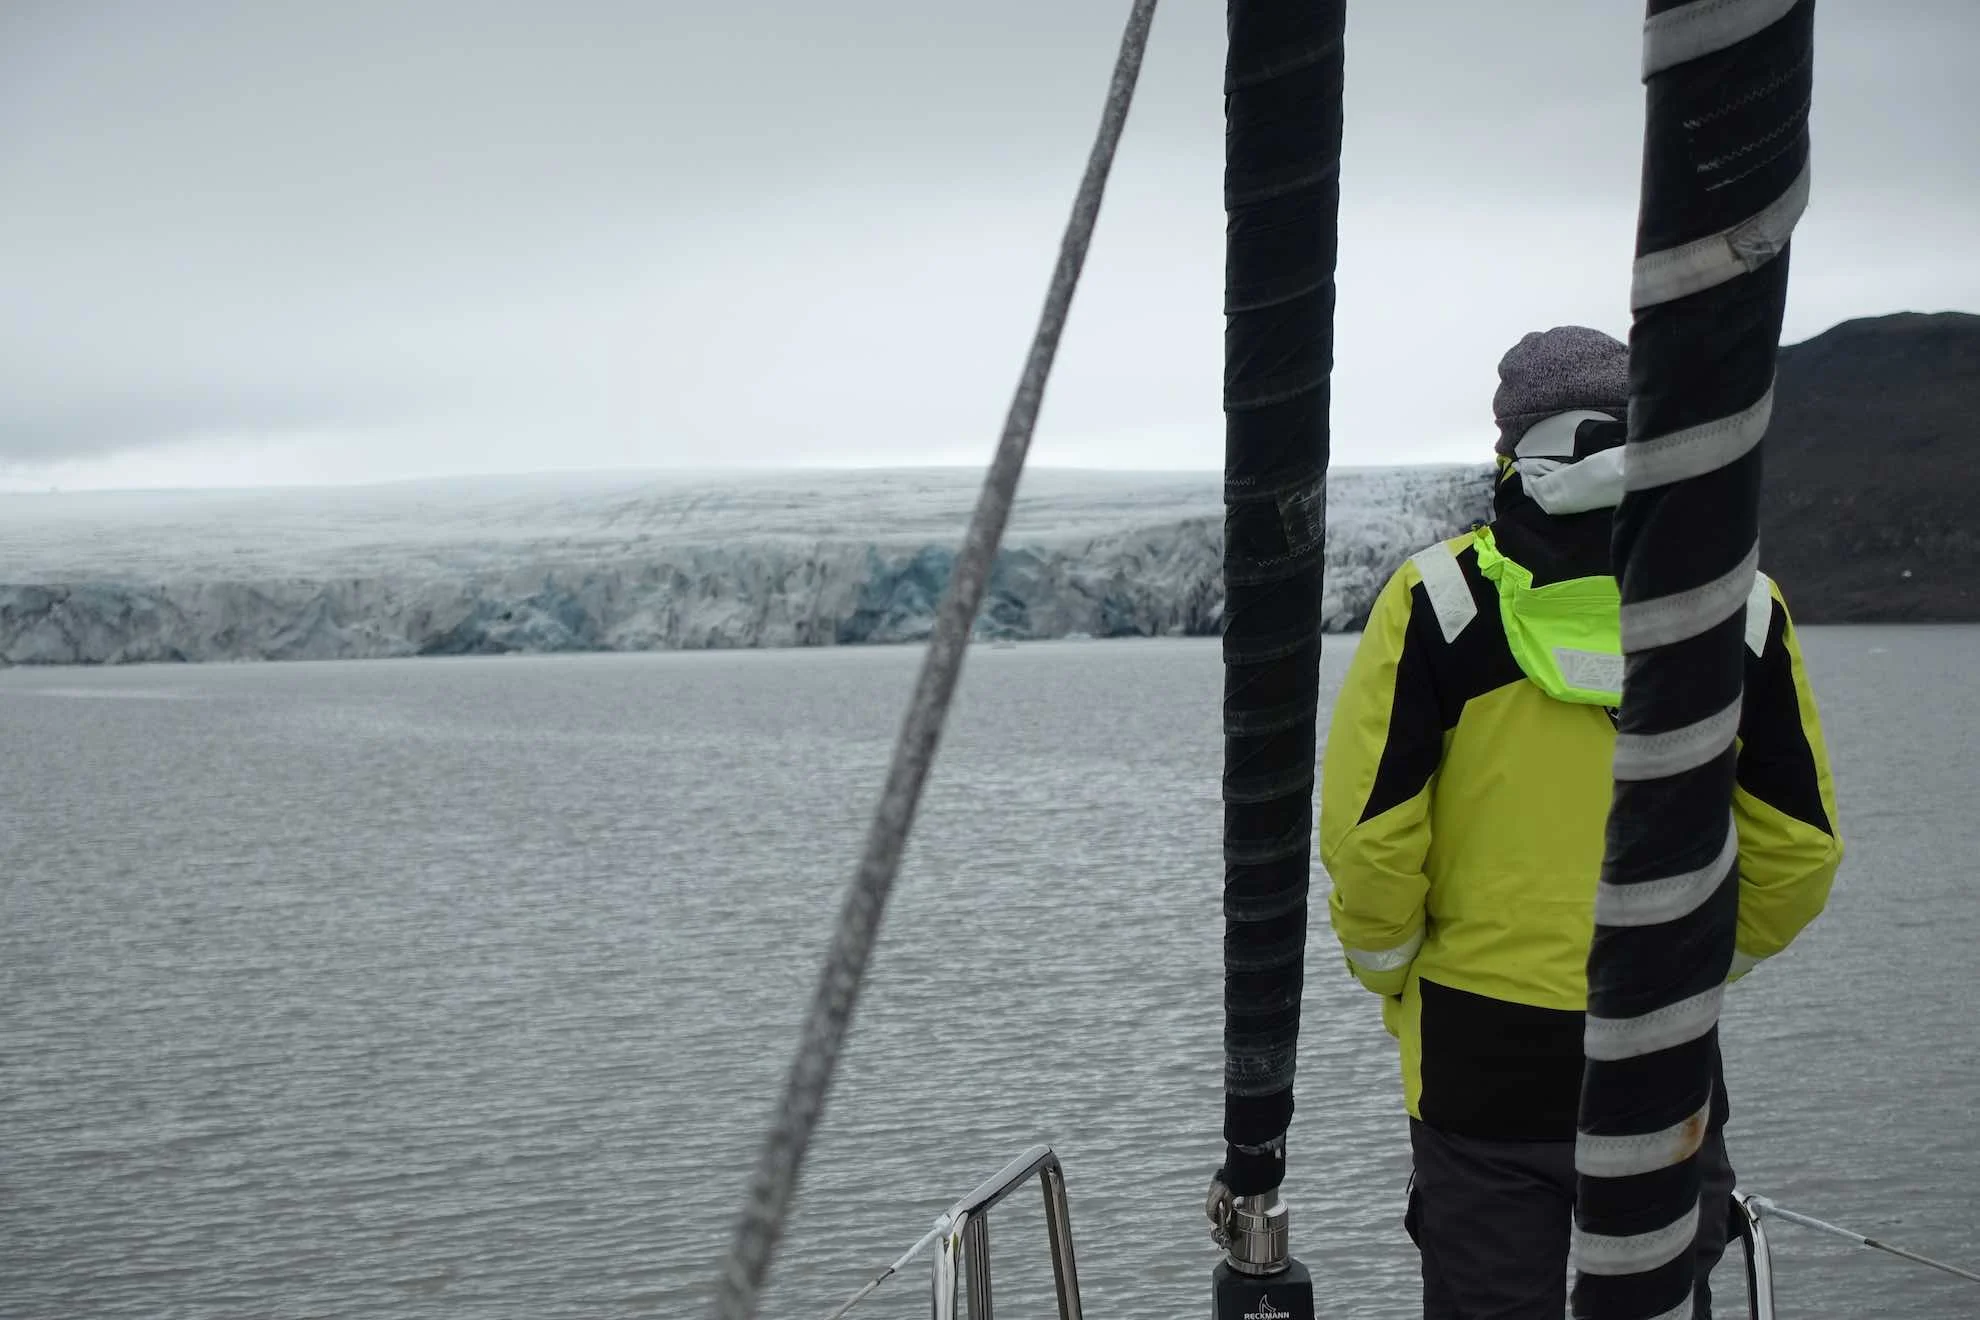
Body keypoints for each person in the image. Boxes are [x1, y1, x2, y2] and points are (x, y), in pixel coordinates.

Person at [1318, 325, 1844, 1319]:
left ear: (1511, 448)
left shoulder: (1440, 604)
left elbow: (1372, 840)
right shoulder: (1739, 612)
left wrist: (1396, 979)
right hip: (1662, 1047)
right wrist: (1697, 961)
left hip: (1479, 1054)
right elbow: (1797, 852)